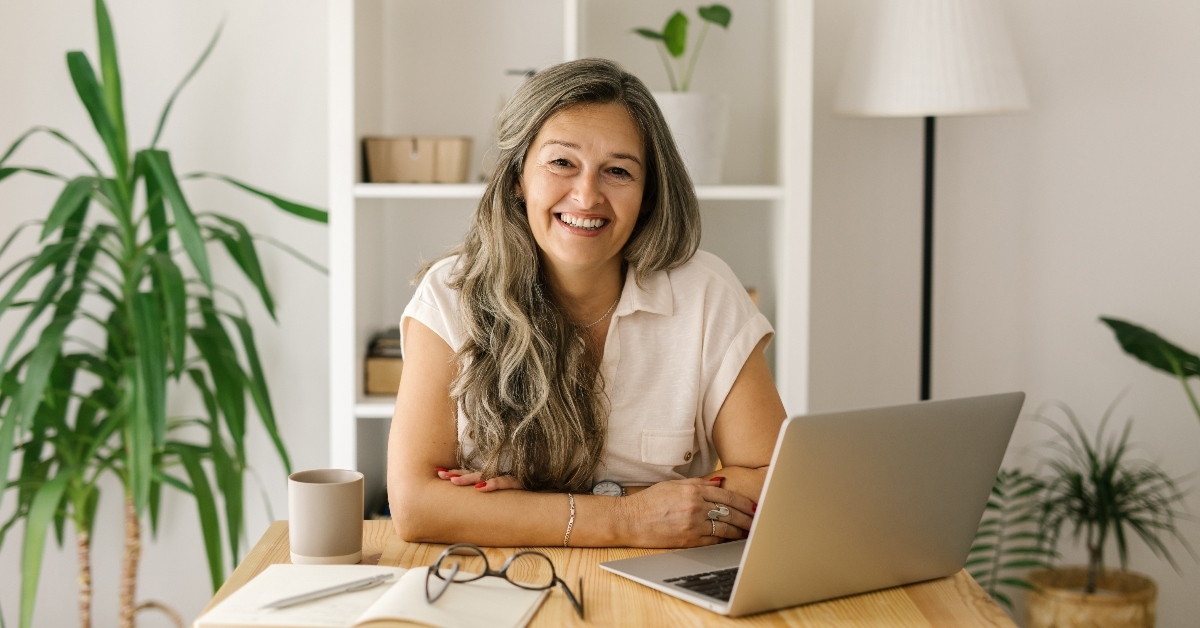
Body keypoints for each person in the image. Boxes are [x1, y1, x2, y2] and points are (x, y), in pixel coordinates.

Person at [387, 58, 786, 549]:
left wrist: (536, 506)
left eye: (618, 171)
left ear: (648, 193)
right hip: (497, 578)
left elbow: (775, 481)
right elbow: (415, 506)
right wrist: (630, 517)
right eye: (562, 163)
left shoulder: (707, 292)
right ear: (517, 176)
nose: (587, 195)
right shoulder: (450, 295)